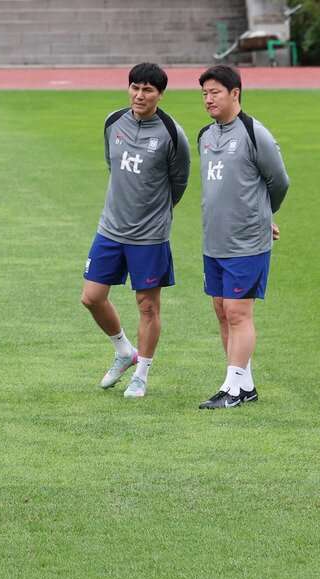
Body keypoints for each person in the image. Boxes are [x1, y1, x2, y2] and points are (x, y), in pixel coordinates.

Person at [81, 62, 190, 399]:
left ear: (160, 94)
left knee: (147, 306)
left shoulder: (171, 132)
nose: (140, 95)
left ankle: (141, 374)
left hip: (150, 236)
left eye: (148, 90)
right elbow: (112, 164)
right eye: (135, 88)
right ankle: (124, 351)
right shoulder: (113, 122)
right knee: (92, 297)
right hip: (111, 228)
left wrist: (154, 212)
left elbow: (179, 181)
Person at [195, 65, 289, 409]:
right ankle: (244, 385)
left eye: (215, 92)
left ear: (235, 93)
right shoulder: (206, 135)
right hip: (214, 240)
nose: (208, 99)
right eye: (204, 93)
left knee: (237, 312)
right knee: (221, 310)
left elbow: (279, 181)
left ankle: (231, 388)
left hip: (247, 241)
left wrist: (266, 216)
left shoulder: (254, 132)